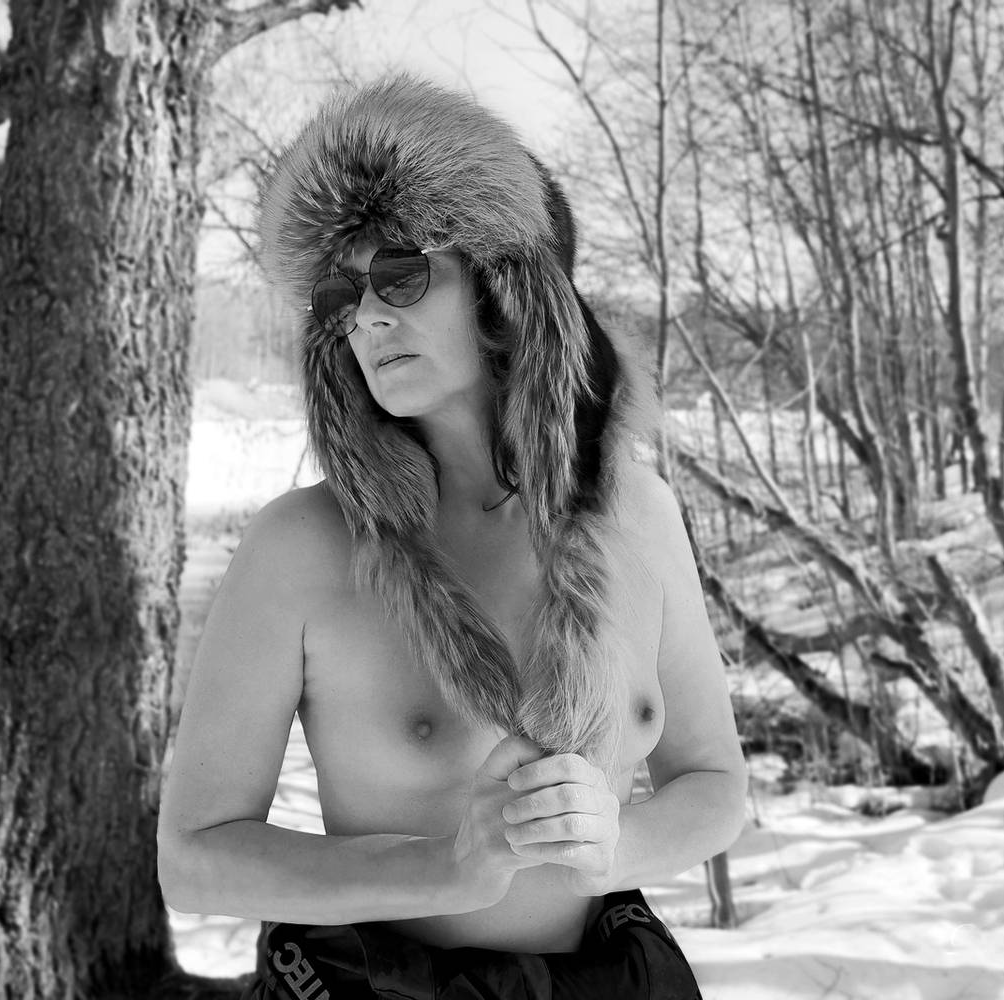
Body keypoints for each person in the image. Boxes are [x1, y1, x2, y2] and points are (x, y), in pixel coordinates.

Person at [158, 75, 746, 999]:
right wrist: (441, 868)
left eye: (399, 274)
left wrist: (614, 846)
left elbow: (714, 784)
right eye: (340, 296)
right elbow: (194, 858)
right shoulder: (302, 547)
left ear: (503, 287)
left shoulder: (639, 514)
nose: (367, 316)